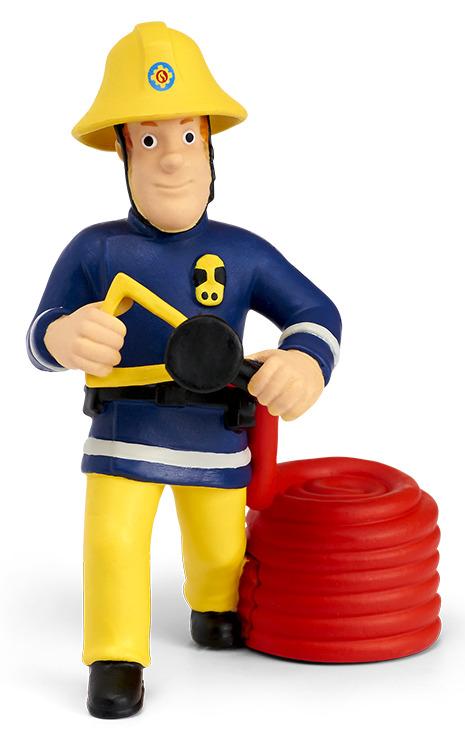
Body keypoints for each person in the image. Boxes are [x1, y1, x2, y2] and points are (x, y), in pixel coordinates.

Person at [27, 22, 342, 719]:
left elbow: (314, 311)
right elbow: (38, 332)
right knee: (113, 542)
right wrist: (65, 335)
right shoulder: (95, 250)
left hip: (217, 433)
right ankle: (115, 654)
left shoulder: (244, 252)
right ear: (122, 151)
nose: (171, 159)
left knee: (220, 547)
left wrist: (304, 359)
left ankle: (214, 605)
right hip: (124, 432)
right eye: (148, 140)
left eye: (187, 136)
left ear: (209, 145)